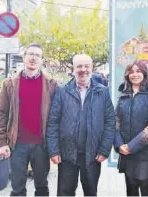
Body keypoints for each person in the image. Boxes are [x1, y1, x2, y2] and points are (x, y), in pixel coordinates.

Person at [46, 54, 115, 196]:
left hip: (92, 154)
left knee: (90, 192)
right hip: (67, 154)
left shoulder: (102, 92)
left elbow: (110, 122)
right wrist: (54, 150)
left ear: (92, 68)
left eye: (86, 66)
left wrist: (104, 150)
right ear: (73, 69)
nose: (83, 69)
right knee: (65, 192)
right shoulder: (62, 91)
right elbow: (53, 122)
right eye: (79, 66)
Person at [0, 43, 58, 196]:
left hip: (41, 146)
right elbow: (1, 113)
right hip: (17, 145)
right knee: (17, 188)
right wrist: (2, 142)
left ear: (42, 60)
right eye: (30, 54)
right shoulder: (9, 84)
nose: (33, 58)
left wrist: (55, 146)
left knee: (42, 187)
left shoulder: (51, 84)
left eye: (37, 55)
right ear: (24, 58)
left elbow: (57, 116)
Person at [114, 61, 148, 196]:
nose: (135, 74)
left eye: (138, 71)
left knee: (146, 189)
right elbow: (115, 122)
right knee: (130, 189)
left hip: (145, 153)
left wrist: (131, 146)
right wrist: (119, 145)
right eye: (131, 71)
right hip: (126, 152)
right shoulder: (123, 95)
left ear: (145, 73)